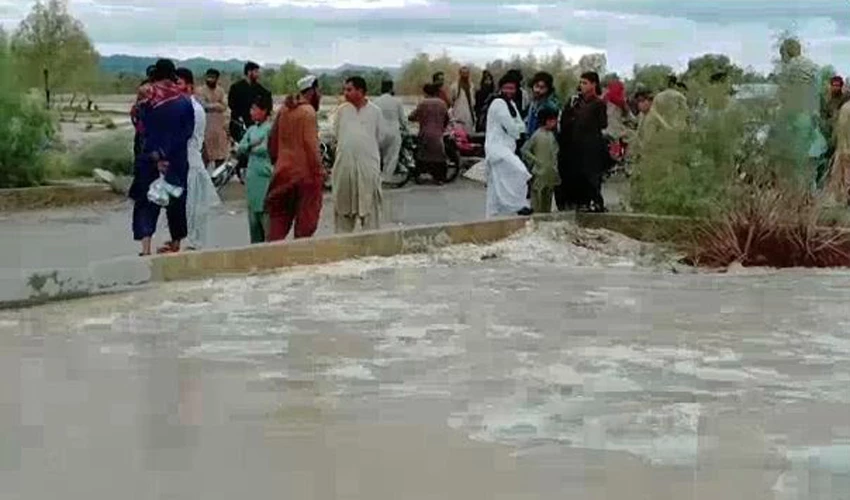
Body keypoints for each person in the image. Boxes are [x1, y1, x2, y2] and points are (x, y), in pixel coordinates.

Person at [128, 59, 195, 256]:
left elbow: (139, 125)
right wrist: (168, 152)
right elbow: (187, 131)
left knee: (146, 202)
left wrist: (155, 155)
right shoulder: (184, 101)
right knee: (176, 201)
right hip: (176, 159)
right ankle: (175, 244)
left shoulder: (146, 97)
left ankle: (146, 248)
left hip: (149, 157)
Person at [265, 75, 324, 241]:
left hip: (282, 173)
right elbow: (311, 146)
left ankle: (271, 260)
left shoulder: (284, 109)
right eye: (319, 91)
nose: (320, 95)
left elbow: (272, 140)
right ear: (313, 91)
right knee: (305, 228)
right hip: (304, 177)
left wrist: (278, 163)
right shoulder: (308, 112)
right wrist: (319, 172)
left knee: (277, 226)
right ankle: (298, 263)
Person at [175, 68, 221, 251]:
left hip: (190, 162)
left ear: (189, 86)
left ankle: (194, 244)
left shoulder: (193, 109)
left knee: (193, 208)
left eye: (178, 83)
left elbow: (184, 137)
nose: (175, 87)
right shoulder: (185, 107)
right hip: (185, 162)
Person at [331, 76, 384, 232]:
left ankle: (371, 251)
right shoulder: (341, 111)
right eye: (345, 89)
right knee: (343, 211)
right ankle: (342, 251)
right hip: (345, 168)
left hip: (368, 168)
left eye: (349, 89)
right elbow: (336, 137)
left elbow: (380, 139)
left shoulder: (375, 112)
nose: (345, 93)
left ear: (360, 91)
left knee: (370, 212)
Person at [775, 38, 828, 188]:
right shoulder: (813, 67)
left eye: (782, 54)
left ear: (786, 52)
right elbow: (817, 93)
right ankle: (811, 195)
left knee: (795, 164)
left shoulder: (788, 69)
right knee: (811, 162)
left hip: (795, 119)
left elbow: (783, 97)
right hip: (811, 117)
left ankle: (798, 200)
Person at [557, 71, 608, 212]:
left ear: (593, 84)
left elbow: (603, 125)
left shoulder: (598, 104)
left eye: (585, 83)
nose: (582, 86)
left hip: (591, 145)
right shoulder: (576, 101)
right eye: (581, 82)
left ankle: (596, 203)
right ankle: (580, 202)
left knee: (592, 176)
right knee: (577, 176)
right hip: (575, 145)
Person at [485, 72, 532, 217]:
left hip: (506, 149)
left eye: (512, 88)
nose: (509, 91)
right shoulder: (498, 103)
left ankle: (494, 214)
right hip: (498, 149)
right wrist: (517, 129)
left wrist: (517, 128)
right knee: (520, 172)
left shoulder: (510, 104)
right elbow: (513, 128)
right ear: (500, 88)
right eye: (506, 88)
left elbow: (519, 127)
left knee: (497, 183)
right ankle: (519, 205)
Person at [238, 96, 274, 243]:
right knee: (253, 222)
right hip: (252, 178)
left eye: (254, 109)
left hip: (265, 176)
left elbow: (265, 148)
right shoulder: (252, 129)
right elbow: (240, 147)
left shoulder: (271, 129)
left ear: (264, 110)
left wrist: (249, 146)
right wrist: (251, 145)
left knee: (266, 220)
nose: (251, 112)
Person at [521, 107, 560, 213]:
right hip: (539, 174)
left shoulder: (552, 135)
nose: (555, 123)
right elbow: (525, 150)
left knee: (547, 203)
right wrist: (536, 161)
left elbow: (555, 152)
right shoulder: (536, 135)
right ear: (546, 121)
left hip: (550, 174)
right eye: (553, 120)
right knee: (537, 203)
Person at [409, 83, 450, 184]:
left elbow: (412, 116)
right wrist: (442, 128)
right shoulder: (442, 103)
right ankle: (439, 178)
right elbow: (447, 118)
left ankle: (420, 175)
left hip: (425, 134)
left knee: (422, 156)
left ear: (425, 92)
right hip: (438, 135)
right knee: (439, 157)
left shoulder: (423, 103)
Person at [372, 80, 408, 182]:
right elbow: (403, 119)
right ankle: (386, 178)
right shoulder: (397, 101)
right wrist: (406, 129)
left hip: (379, 132)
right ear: (391, 88)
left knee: (377, 156)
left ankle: (375, 176)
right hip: (393, 132)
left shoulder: (375, 101)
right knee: (391, 156)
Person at [228, 61, 272, 142]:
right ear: (249, 72)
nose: (258, 74)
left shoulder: (259, 89)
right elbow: (231, 104)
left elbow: (268, 97)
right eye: (256, 72)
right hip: (239, 123)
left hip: (254, 123)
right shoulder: (235, 87)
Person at [197, 68, 230, 169]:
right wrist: (216, 105)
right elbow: (203, 105)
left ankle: (218, 179)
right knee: (205, 155)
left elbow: (224, 106)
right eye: (209, 77)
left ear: (217, 79)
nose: (210, 80)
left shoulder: (220, 90)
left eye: (213, 78)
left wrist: (212, 105)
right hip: (206, 127)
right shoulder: (200, 91)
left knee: (220, 155)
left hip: (219, 127)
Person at [602, 79, 636, 165]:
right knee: (633, 137)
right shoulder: (621, 102)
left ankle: (616, 155)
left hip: (602, 130)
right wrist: (636, 122)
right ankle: (627, 159)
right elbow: (630, 117)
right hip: (614, 130)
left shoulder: (604, 99)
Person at [827, 99, 850, 205]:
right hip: (846, 149)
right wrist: (844, 148)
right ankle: (842, 199)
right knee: (844, 175)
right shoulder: (847, 108)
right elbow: (842, 130)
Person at [449, 66, 476, 134]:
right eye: (463, 73)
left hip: (470, 114)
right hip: (458, 113)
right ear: (460, 74)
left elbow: (473, 100)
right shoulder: (454, 86)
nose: (465, 75)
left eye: (466, 73)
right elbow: (451, 100)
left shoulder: (471, 86)